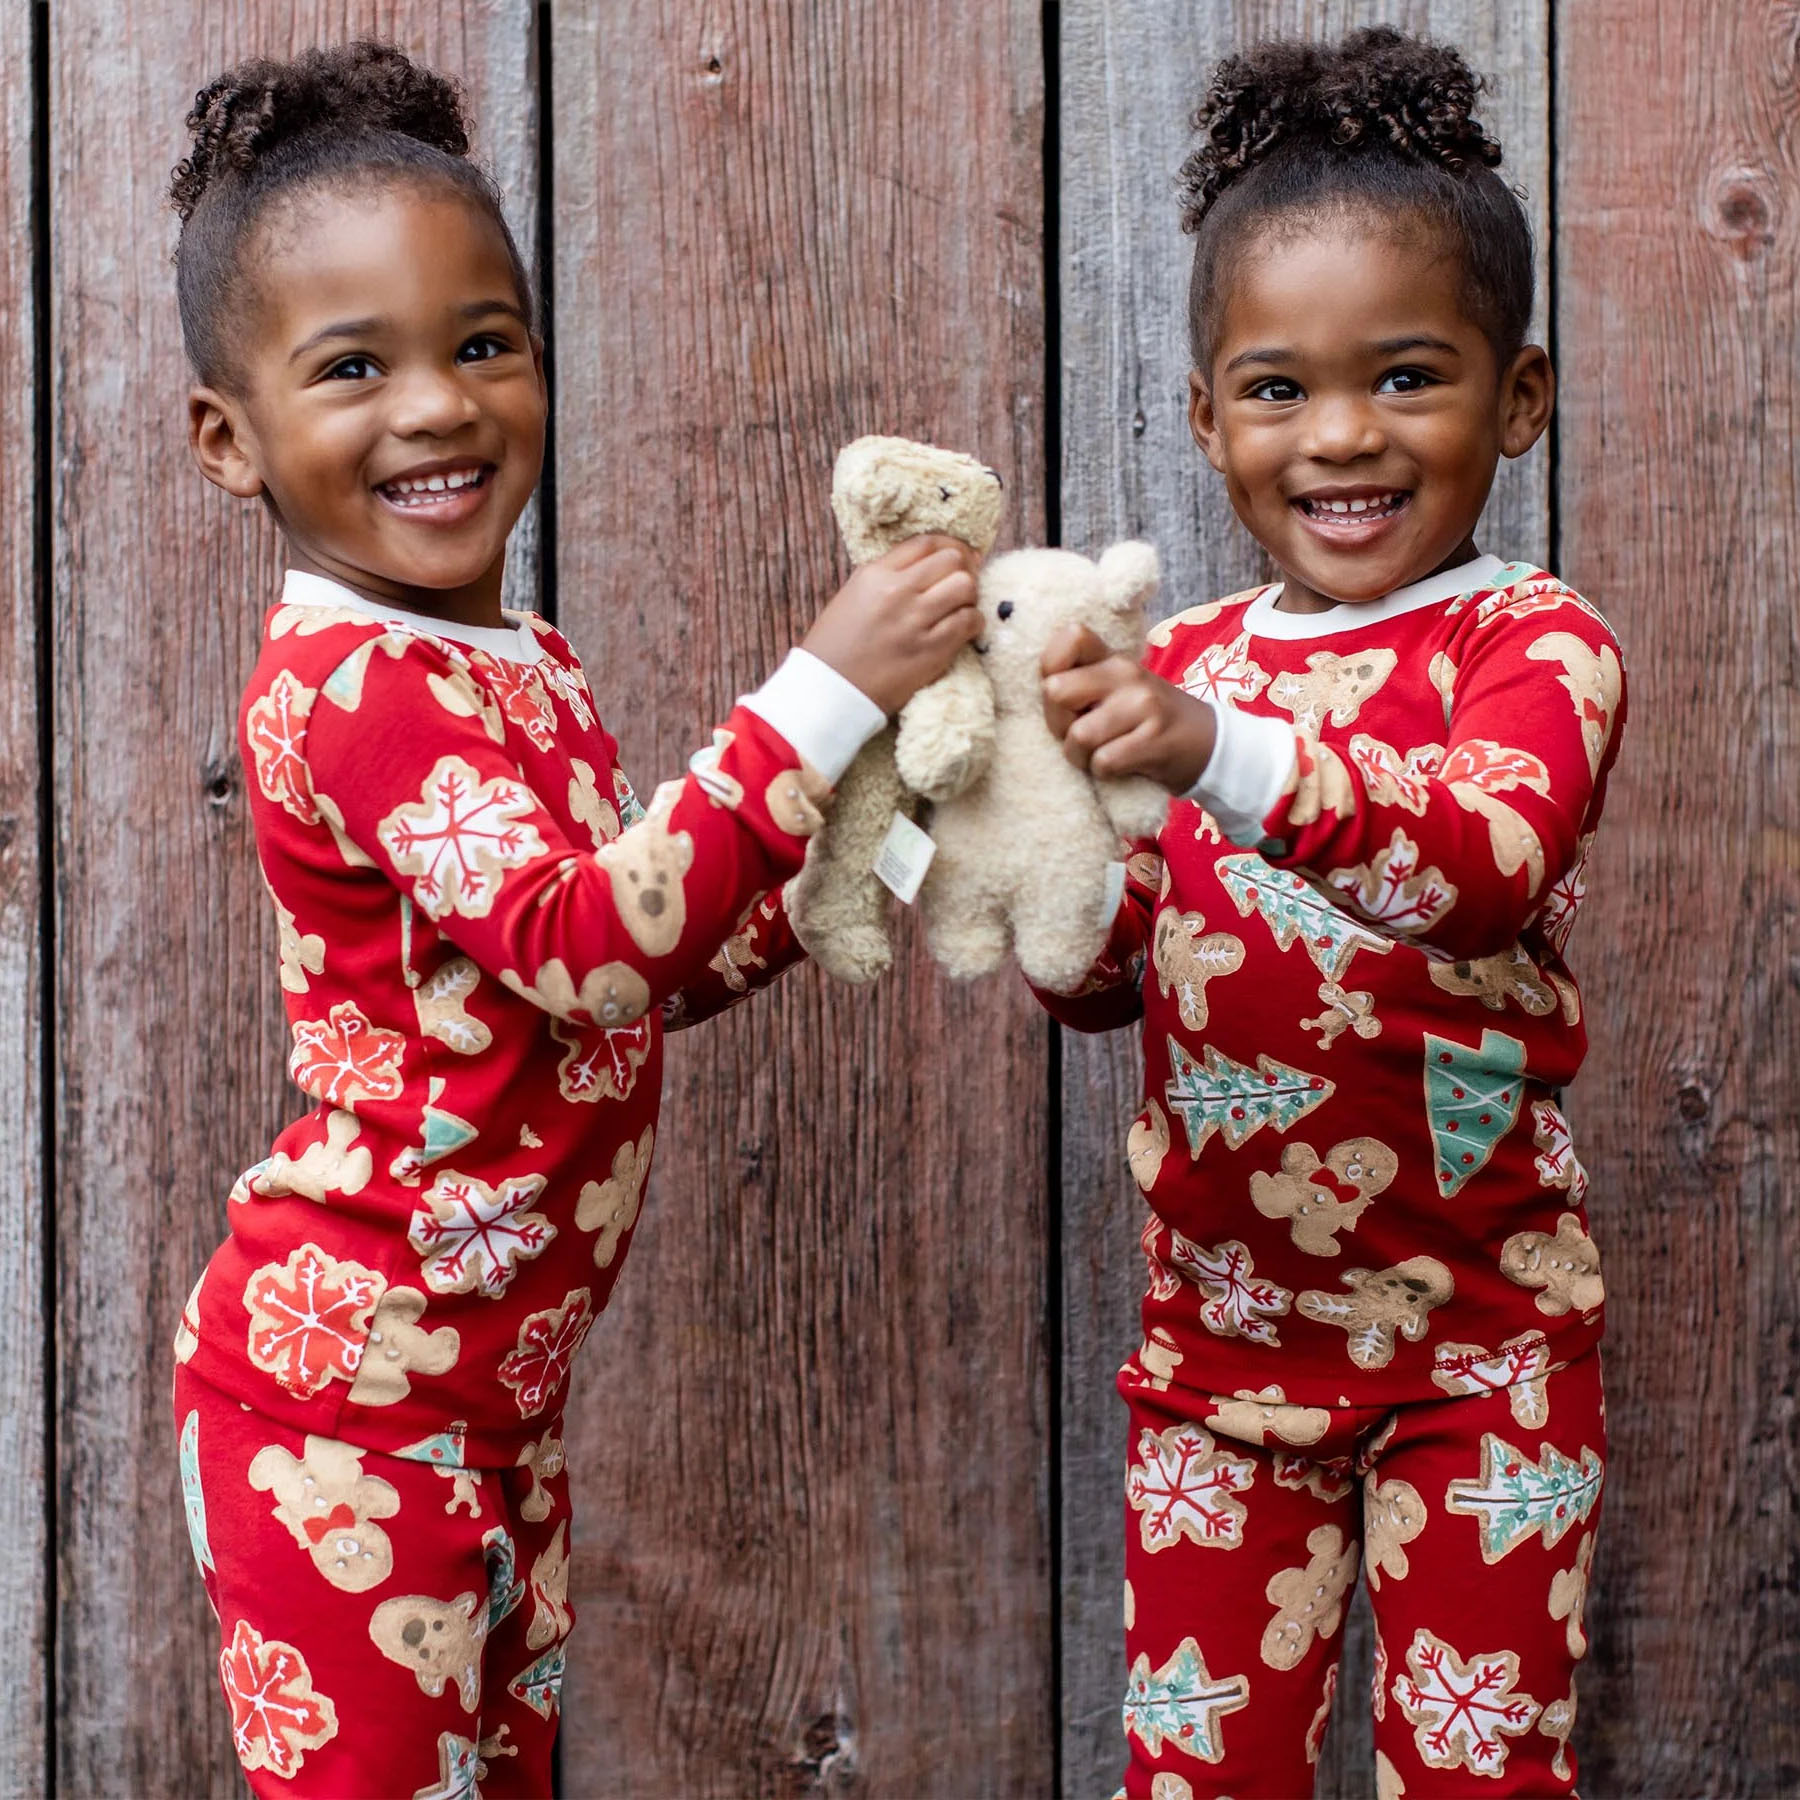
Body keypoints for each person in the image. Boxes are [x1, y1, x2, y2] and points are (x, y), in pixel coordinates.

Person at [165, 42, 980, 1797]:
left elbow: (621, 978)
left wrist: (878, 836)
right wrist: (822, 692)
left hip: (485, 1400)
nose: (438, 406)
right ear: (230, 440)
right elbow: (585, 934)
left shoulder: (512, 659)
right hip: (348, 1403)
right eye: (352, 368)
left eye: (481, 345)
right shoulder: (361, 683)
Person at [1036, 28, 1624, 1797]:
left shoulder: (1529, 643)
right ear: (1207, 413)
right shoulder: (1186, 663)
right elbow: (1113, 977)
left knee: (1478, 1777)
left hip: (1486, 1363)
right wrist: (1007, 860)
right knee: (1195, 1780)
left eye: (1411, 377)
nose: (1344, 435)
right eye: (1279, 389)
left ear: (1516, 400)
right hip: (1217, 1363)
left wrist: (1218, 751)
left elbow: (1482, 866)